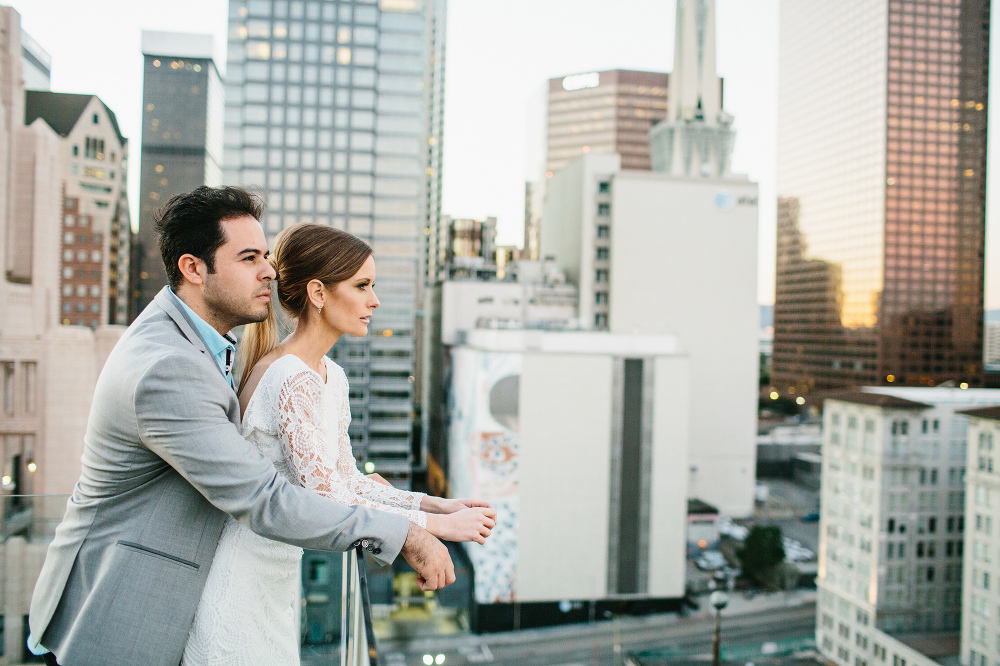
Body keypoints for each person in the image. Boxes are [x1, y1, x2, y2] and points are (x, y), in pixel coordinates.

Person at [27, 187, 455, 666]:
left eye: (267, 256)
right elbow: (264, 499)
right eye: (249, 258)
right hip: (120, 610)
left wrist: (402, 501)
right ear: (193, 268)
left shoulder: (202, 341)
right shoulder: (170, 368)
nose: (269, 271)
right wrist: (407, 534)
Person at [181, 222, 495, 664]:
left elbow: (347, 478)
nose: (375, 300)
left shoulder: (330, 376)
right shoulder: (289, 377)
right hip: (239, 584)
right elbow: (326, 498)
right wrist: (429, 530)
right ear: (318, 293)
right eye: (362, 285)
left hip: (277, 582)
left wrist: (433, 504)